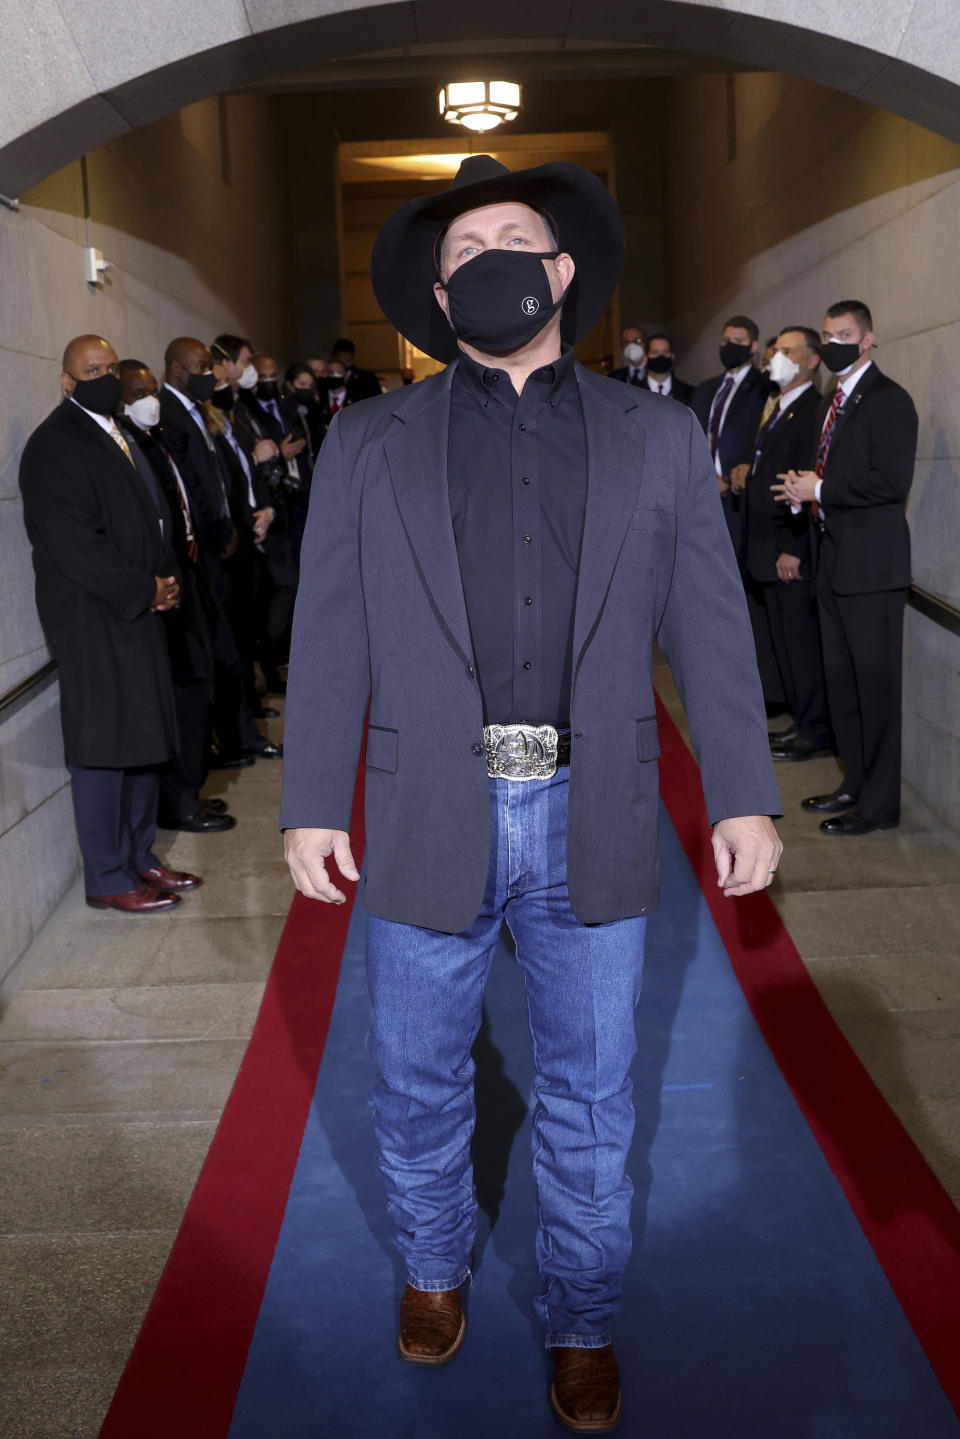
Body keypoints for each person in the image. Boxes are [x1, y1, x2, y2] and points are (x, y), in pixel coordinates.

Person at [281, 155, 782, 1433]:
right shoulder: (364, 438)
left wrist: (743, 792)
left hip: (593, 805)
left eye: (518, 235)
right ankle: (435, 1266)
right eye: (466, 252)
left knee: (593, 1086)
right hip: (423, 808)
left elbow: (712, 628)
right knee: (415, 1075)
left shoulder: (658, 436)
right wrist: (309, 800)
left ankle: (581, 1316)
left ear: (564, 270)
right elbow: (328, 629)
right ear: (441, 298)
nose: (494, 258)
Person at [19, 334, 201, 913]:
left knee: (143, 739)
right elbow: (74, 545)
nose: (104, 376)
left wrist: (166, 582)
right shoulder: (54, 445)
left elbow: (154, 516)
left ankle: (138, 854)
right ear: (67, 382)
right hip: (95, 620)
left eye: (109, 366)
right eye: (90, 370)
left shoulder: (119, 431)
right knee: (104, 747)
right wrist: (142, 588)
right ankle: (107, 876)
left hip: (140, 611)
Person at [777, 300, 917, 835]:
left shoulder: (889, 399)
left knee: (875, 691)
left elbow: (890, 482)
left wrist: (823, 489)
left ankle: (879, 806)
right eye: (828, 333)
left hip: (873, 571)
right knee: (843, 686)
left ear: (867, 340)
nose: (834, 341)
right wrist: (803, 494)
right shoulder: (831, 400)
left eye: (844, 334)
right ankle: (854, 783)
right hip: (834, 566)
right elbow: (830, 477)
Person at [117, 359, 235, 834]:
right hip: (163, 588)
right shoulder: (128, 447)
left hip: (190, 575)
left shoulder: (156, 440)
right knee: (188, 689)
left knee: (204, 678)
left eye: (153, 390)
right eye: (140, 391)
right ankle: (180, 800)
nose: (151, 401)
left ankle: (189, 791)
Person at [742, 328, 831, 762]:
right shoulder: (778, 408)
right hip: (765, 547)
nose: (775, 357)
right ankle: (800, 721)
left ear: (811, 361)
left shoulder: (813, 410)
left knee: (800, 644)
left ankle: (814, 729)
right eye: (774, 351)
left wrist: (793, 547)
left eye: (787, 352)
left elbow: (803, 480)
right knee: (783, 645)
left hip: (788, 550)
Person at [691, 314, 766, 555]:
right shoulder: (706, 389)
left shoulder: (764, 387)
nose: (730, 345)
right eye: (726, 340)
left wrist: (726, 479)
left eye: (739, 340)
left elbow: (759, 437)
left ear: (753, 346)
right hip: (701, 496)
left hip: (738, 497)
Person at [640, 332, 693, 404]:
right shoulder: (633, 391)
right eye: (655, 352)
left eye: (665, 352)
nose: (661, 356)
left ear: (672, 357)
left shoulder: (691, 393)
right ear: (645, 358)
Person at [330, 336, 382, 402]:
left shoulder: (367, 378)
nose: (343, 364)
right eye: (340, 359)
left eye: (347, 360)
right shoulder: (325, 376)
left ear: (352, 359)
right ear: (333, 357)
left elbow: (377, 401)